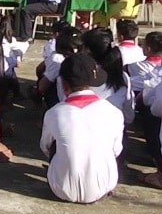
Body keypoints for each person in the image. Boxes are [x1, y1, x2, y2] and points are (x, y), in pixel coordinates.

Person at [40, 54, 123, 203]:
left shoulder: (54, 113)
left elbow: (45, 147)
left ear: (64, 85)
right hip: (103, 187)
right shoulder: (114, 112)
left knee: (56, 141)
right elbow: (116, 150)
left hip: (61, 189)